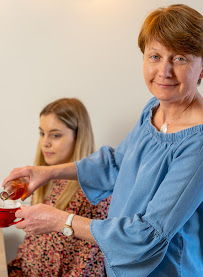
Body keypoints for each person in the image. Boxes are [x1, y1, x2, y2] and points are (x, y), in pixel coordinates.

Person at [3, 4, 203, 277]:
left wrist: (60, 220)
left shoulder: (198, 143)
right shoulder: (153, 109)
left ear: (201, 67)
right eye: (154, 56)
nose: (164, 71)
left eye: (180, 58)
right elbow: (116, 164)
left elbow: (149, 234)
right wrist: (46, 172)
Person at [7, 98, 111, 277]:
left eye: (55, 135)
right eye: (42, 133)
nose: (45, 143)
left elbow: (88, 266)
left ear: (78, 137)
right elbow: (31, 249)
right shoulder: (42, 183)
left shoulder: (93, 192)